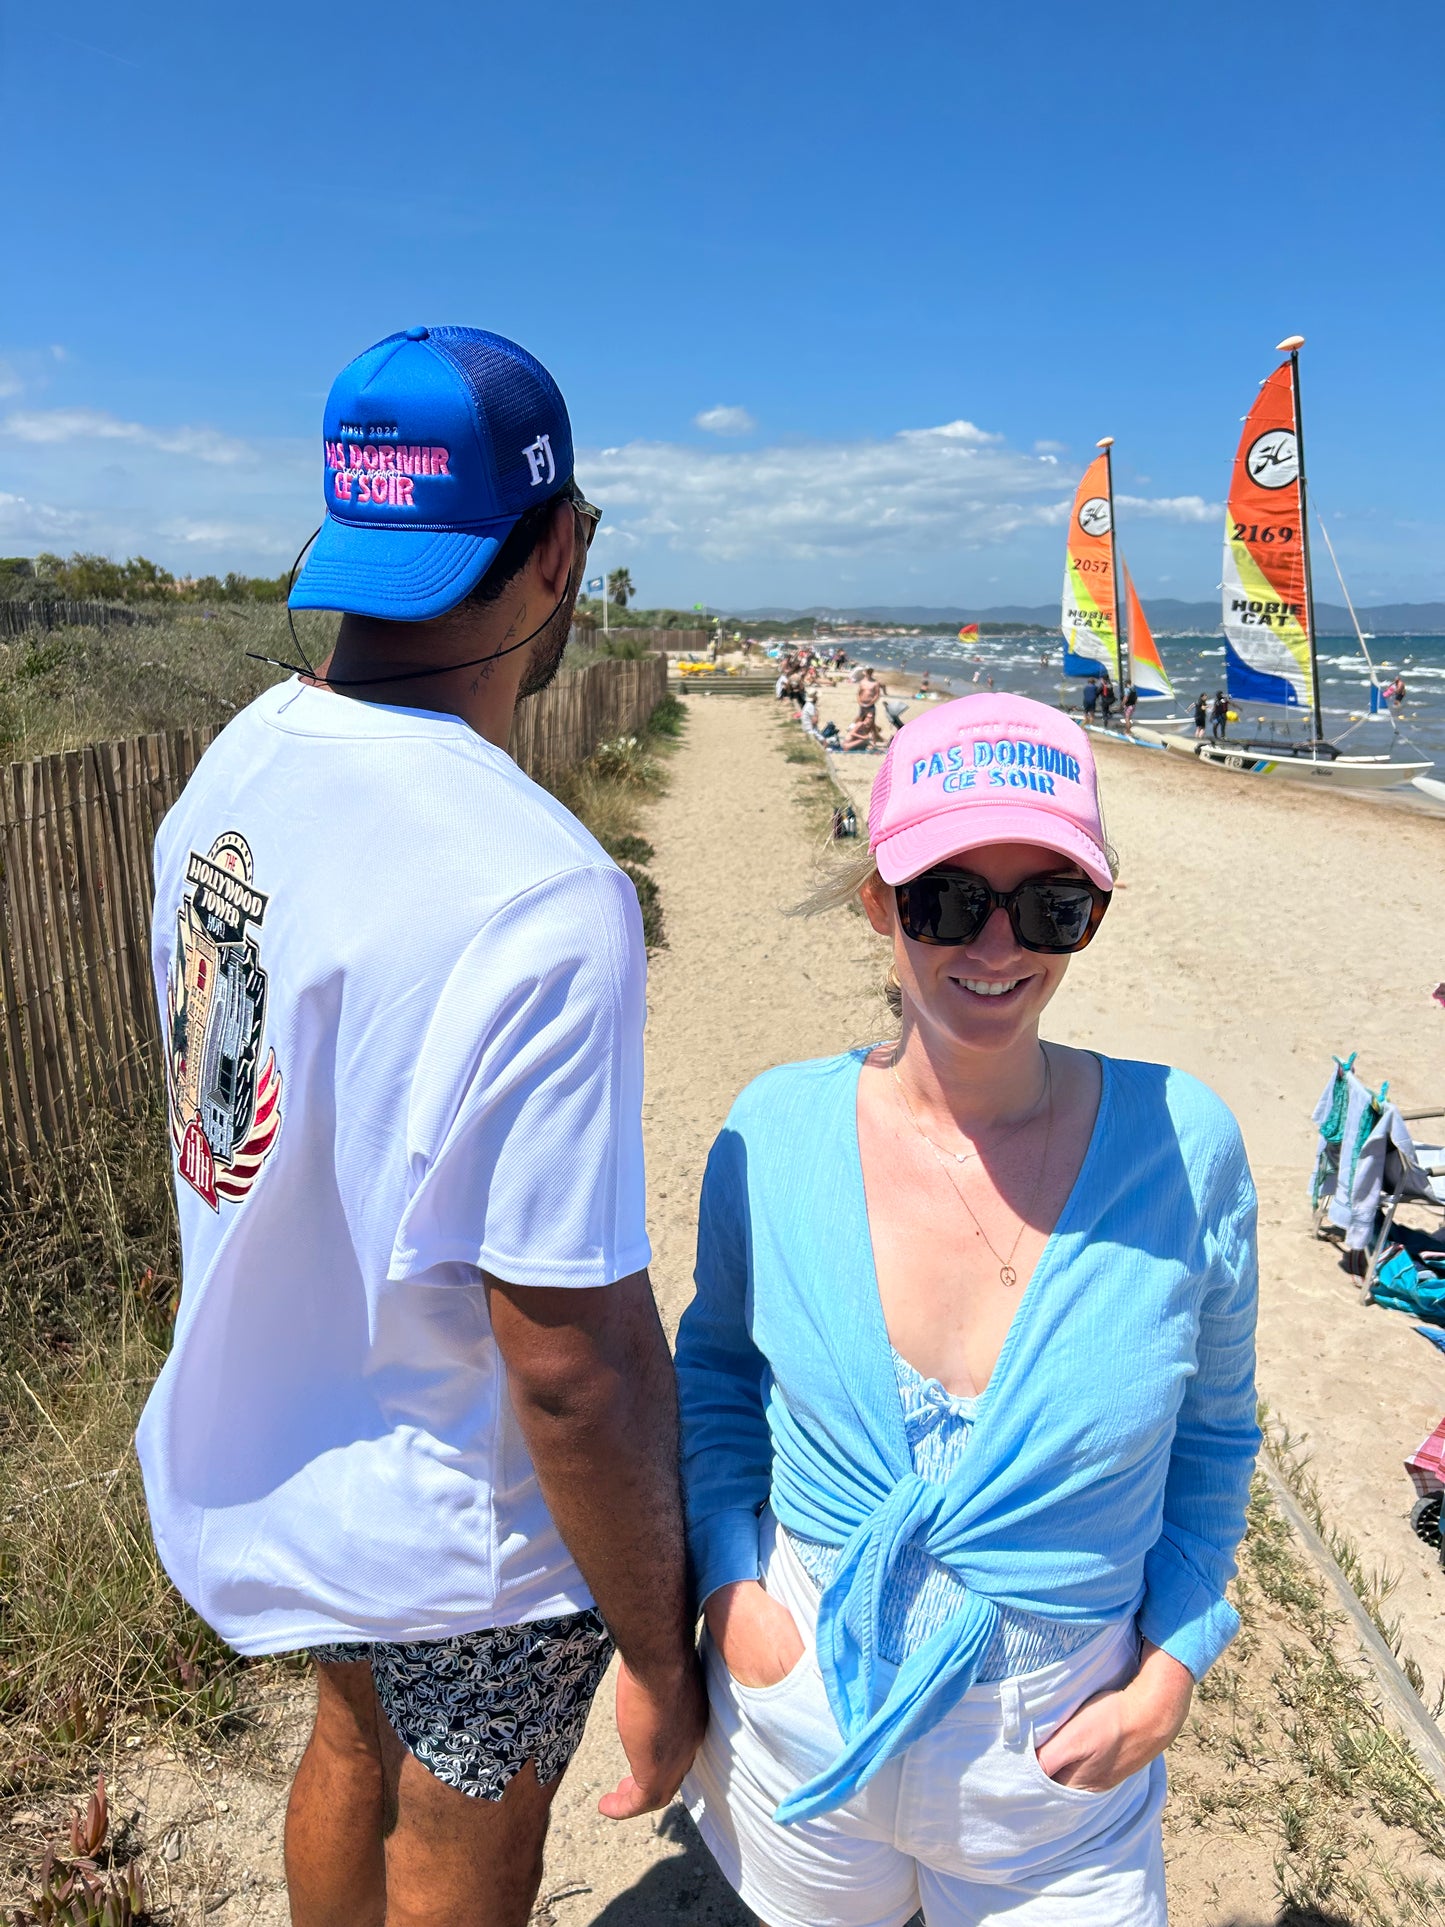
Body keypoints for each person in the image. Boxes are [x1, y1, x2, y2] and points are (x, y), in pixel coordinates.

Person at [138, 326, 704, 1927]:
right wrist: (661, 1646)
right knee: (466, 1823)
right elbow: (567, 1354)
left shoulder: (232, 771)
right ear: (561, 552)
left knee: (349, 1738)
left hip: (292, 1445)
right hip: (468, 1511)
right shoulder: (539, 890)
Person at [676, 693, 1259, 1926]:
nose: (996, 947)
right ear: (877, 899)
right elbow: (717, 1372)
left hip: (1057, 1770)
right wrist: (732, 1584)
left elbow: (1213, 1434)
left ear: (1094, 912)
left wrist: (1172, 1664)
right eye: (946, 897)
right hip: (805, 1727)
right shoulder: (770, 1134)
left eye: (1051, 904)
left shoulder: (1183, 1148)